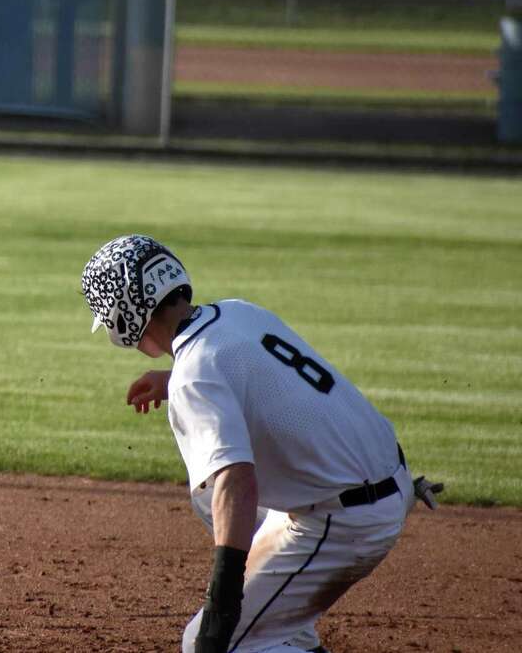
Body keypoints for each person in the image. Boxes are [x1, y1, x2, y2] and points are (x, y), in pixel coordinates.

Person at [80, 234, 442, 653]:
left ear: (125, 314)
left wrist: (223, 606)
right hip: (385, 480)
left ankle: (270, 635)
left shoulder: (194, 375)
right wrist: (173, 379)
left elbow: (237, 481)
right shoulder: (236, 313)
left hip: (345, 524)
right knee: (206, 497)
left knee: (208, 643)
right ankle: (288, 629)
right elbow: (274, 381)